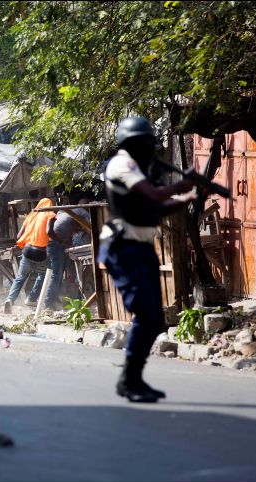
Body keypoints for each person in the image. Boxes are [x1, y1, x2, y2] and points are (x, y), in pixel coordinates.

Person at [98, 116, 197, 403]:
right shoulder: (122, 164)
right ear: (128, 144)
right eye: (140, 143)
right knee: (145, 312)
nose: (146, 148)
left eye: (147, 143)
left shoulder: (140, 173)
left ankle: (133, 379)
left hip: (141, 247)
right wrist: (183, 186)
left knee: (154, 319)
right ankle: (128, 381)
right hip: (122, 247)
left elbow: (156, 208)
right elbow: (154, 196)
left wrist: (188, 197)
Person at [37, 197, 93, 310]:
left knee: (59, 273)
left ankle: (56, 300)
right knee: (56, 275)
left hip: (54, 245)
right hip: (57, 244)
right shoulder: (83, 211)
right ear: (87, 207)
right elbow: (91, 230)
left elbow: (66, 227)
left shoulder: (66, 211)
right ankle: (48, 303)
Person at [3, 198, 56, 313]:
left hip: (27, 250)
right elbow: (49, 232)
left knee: (20, 277)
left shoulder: (31, 215)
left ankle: (10, 300)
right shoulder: (50, 214)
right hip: (40, 252)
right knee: (43, 275)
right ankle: (31, 298)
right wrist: (60, 240)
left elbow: (18, 236)